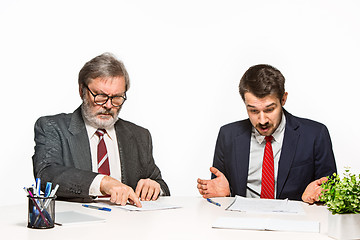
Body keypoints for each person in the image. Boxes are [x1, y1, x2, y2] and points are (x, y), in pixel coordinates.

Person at [32, 53, 170, 207]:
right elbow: (46, 175)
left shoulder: (139, 136)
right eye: (100, 96)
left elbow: (160, 184)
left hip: (128, 226)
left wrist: (154, 187)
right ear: (82, 91)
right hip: (77, 227)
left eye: (117, 97)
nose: (109, 105)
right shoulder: (53, 127)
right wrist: (103, 182)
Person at [197, 64, 337, 204]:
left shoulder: (315, 135)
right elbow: (219, 188)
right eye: (253, 111)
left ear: (283, 99)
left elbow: (330, 191)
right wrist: (226, 195)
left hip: (294, 221)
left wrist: (317, 196)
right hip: (242, 221)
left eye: (269, 109)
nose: (262, 120)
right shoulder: (228, 135)